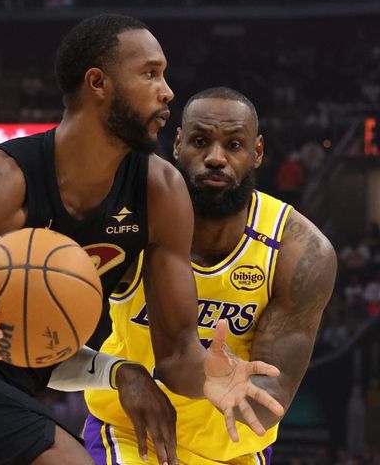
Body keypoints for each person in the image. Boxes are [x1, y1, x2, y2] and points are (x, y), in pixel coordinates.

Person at [0, 16, 284, 465]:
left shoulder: (161, 191)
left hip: (12, 391)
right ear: (97, 83)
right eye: (150, 73)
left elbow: (176, 353)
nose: (167, 91)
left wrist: (209, 376)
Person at [84, 87, 337, 464]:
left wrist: (224, 382)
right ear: (178, 143)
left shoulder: (299, 251)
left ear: (257, 152)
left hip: (235, 448)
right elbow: (49, 333)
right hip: (133, 430)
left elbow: (270, 400)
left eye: (234, 145)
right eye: (201, 142)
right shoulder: (127, 223)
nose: (215, 158)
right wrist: (118, 373)